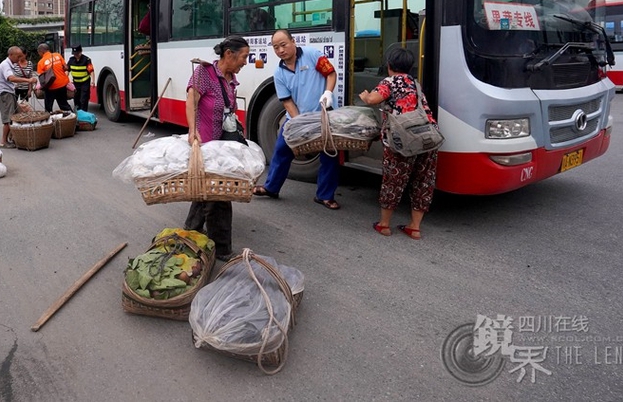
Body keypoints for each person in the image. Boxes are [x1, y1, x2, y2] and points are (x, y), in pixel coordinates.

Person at [253, 29, 340, 209]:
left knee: (330, 154)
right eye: (276, 47)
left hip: (323, 115)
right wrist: (300, 124)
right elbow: (287, 102)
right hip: (297, 118)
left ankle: (325, 196)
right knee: (281, 150)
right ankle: (271, 187)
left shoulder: (313, 55)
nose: (280, 50)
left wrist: (328, 92)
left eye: (283, 45)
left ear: (293, 42)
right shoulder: (279, 73)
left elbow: (331, 74)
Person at [358, 46, 438, 240]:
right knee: (423, 182)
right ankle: (415, 228)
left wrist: (365, 96)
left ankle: (384, 225)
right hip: (428, 138)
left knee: (393, 181)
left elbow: (373, 99)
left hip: (402, 141)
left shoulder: (390, 81)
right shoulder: (414, 82)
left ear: (389, 65)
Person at [184, 36, 251, 261]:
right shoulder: (205, 73)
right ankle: (222, 249)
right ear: (229, 54)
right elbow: (191, 100)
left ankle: (191, 230)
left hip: (222, 147)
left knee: (206, 188)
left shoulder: (231, 79)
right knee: (219, 195)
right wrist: (192, 131)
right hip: (206, 144)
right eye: (243, 57)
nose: (245, 62)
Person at [0, 46, 38, 148]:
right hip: (4, 94)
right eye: (17, 56)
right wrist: (28, 81)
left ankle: (13, 138)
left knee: (15, 116)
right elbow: (10, 78)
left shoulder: (11, 64)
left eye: (20, 57)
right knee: (8, 119)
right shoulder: (5, 65)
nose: (19, 59)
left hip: (9, 92)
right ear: (11, 55)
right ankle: (4, 142)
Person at [36, 42, 73, 113]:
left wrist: (39, 87)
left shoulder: (41, 62)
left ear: (41, 51)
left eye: (39, 52)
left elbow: (42, 78)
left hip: (50, 87)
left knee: (48, 107)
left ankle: (49, 121)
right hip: (62, 84)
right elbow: (66, 67)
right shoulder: (58, 55)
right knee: (63, 104)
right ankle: (72, 118)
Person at [67, 45, 94, 112]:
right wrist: (65, 80)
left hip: (85, 82)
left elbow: (91, 71)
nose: (76, 55)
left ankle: (84, 113)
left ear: (81, 52)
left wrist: (93, 81)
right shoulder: (71, 60)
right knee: (76, 99)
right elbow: (67, 70)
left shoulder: (87, 60)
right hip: (76, 82)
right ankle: (78, 113)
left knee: (84, 99)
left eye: (77, 54)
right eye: (74, 54)